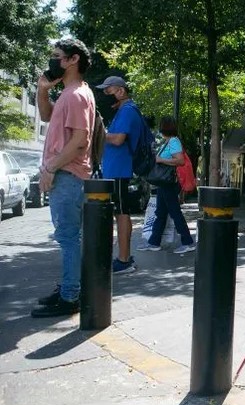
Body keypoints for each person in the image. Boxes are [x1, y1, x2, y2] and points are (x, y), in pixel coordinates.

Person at [31, 39, 96, 318]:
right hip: (67, 175)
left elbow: (81, 140)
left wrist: (50, 168)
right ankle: (69, 288)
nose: (53, 60)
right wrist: (42, 90)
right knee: (68, 237)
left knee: (69, 238)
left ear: (73, 60)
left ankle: (70, 296)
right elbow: (47, 115)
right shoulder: (69, 94)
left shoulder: (77, 95)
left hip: (69, 176)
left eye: (57, 56)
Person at [95, 76, 142, 275]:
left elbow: (118, 139)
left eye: (108, 91)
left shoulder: (127, 111)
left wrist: (95, 133)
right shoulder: (123, 110)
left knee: (122, 214)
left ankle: (124, 260)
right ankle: (123, 257)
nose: (105, 95)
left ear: (121, 91)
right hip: (115, 170)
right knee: (119, 213)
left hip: (119, 171)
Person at [138, 116, 196, 254]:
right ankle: (154, 242)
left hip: (169, 183)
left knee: (175, 213)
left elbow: (180, 161)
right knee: (161, 212)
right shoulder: (169, 141)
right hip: (165, 184)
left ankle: (187, 242)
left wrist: (161, 159)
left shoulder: (174, 141)